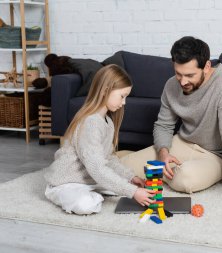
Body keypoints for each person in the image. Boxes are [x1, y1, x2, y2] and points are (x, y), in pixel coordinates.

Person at [121, 36, 222, 197]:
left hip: (214, 155)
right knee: (122, 168)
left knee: (185, 180)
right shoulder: (171, 84)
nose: (182, 81)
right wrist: (164, 154)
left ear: (207, 66)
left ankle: (155, 172)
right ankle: (133, 159)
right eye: (178, 74)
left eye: (189, 75)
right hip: (182, 143)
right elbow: (163, 125)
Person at [44, 64, 155, 215]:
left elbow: (108, 158)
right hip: (65, 183)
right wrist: (132, 192)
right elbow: (97, 168)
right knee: (87, 205)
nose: (124, 103)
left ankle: (98, 191)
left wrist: (130, 177)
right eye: (122, 96)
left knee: (120, 185)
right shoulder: (90, 122)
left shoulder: (106, 121)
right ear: (105, 90)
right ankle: (81, 195)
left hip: (88, 180)